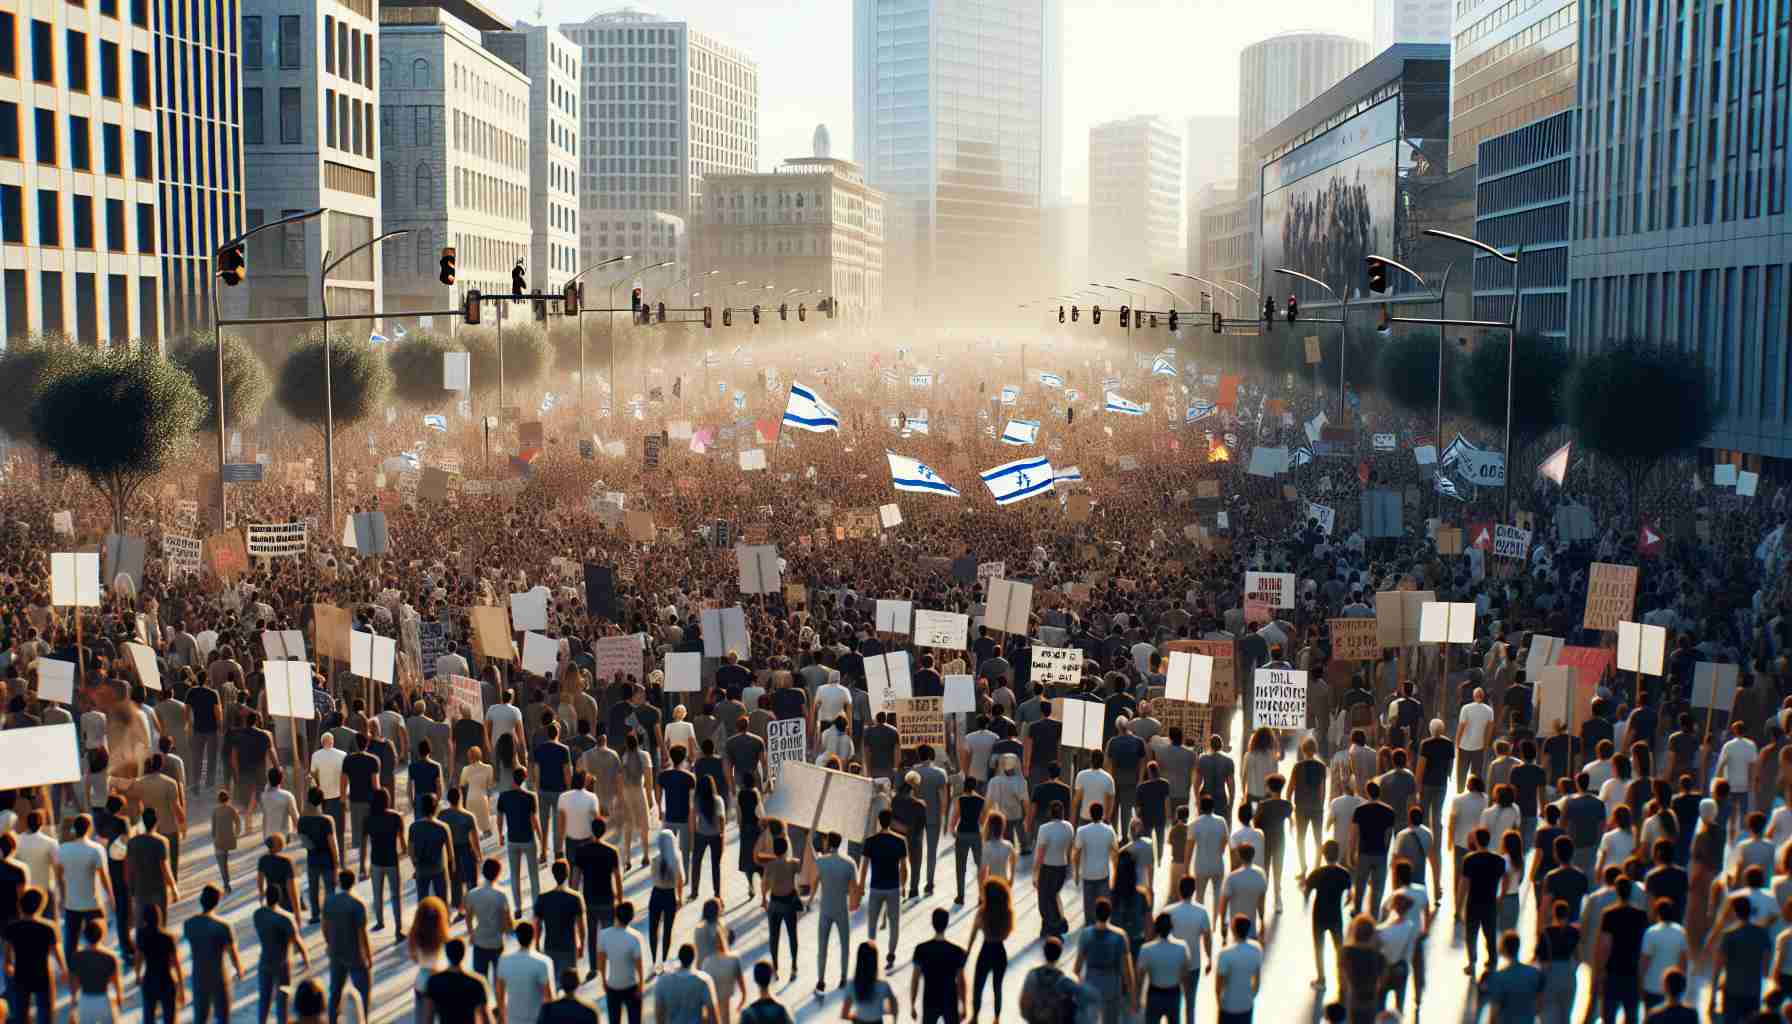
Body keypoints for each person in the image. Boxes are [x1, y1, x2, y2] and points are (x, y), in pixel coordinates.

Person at [53, 813, 111, 964]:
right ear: (89, 828)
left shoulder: (62, 849)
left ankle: (72, 968)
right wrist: (111, 897)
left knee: (71, 940)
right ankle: (96, 963)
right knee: (97, 937)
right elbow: (104, 877)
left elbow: (58, 877)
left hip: (71, 903)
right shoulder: (96, 849)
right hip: (93, 902)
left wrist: (62, 897)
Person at [183, 885, 243, 1024]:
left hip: (199, 977)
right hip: (219, 978)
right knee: (223, 1018)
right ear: (217, 901)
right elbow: (233, 953)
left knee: (200, 1018)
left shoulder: (189, 924)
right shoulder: (224, 926)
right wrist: (239, 968)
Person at [4, 887, 65, 1024]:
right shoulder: (49, 928)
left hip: (21, 973)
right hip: (43, 973)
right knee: (46, 1014)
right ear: (41, 905)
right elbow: (57, 952)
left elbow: (8, 957)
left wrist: (8, 966)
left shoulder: (12, 927)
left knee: (21, 1014)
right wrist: (63, 969)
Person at [254, 885, 311, 1024]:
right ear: (279, 898)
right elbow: (297, 941)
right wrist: (306, 959)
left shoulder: (258, 914)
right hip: (282, 963)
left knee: (264, 1000)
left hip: (264, 961)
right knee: (282, 1001)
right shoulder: (286, 918)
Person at [323, 869, 374, 1023]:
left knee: (335, 992)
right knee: (362, 991)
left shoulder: (330, 901)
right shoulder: (358, 904)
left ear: (339, 882)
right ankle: (362, 1019)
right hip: (355, 954)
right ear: (354, 882)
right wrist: (368, 955)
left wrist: (330, 943)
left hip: (336, 952)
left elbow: (324, 927)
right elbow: (362, 933)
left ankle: (332, 1020)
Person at [859, 809, 908, 969]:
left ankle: (871, 954)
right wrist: (903, 885)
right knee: (894, 923)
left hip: (876, 887)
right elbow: (903, 867)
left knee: (872, 923)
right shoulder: (900, 841)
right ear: (891, 821)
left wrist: (861, 886)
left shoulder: (870, 841)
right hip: (893, 887)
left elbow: (864, 866)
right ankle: (891, 954)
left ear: (879, 821)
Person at [1076, 897, 1136, 1024]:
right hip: (1112, 986)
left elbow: (1077, 968)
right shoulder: (1120, 935)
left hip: (1091, 985)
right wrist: (1132, 996)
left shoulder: (1085, 934)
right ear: (1110, 913)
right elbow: (1127, 970)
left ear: (1095, 913)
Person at [1303, 840, 1351, 990]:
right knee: (1339, 946)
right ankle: (1342, 979)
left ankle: (1321, 979)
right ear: (1338, 854)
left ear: (1323, 855)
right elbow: (1350, 894)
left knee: (1319, 947)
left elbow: (1307, 890)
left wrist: (1306, 901)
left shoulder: (1317, 873)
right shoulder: (1344, 874)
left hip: (1319, 914)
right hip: (1336, 915)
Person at [813, 831, 856, 992]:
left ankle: (821, 980)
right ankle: (843, 977)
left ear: (828, 842)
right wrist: (853, 903)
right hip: (841, 908)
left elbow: (814, 883)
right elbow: (854, 888)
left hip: (825, 908)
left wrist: (810, 900)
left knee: (822, 946)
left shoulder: (820, 862)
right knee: (845, 945)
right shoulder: (849, 863)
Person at [497, 768, 544, 913]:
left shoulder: (503, 796)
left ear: (513, 778)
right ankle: (536, 905)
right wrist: (541, 839)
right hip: (528, 839)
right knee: (533, 874)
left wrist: (500, 834)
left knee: (515, 875)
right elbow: (534, 820)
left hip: (512, 840)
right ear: (524, 778)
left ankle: (518, 907)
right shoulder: (530, 796)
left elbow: (499, 818)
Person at [967, 877, 1014, 1021]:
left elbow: (974, 934)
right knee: (997, 987)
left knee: (978, 986)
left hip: (986, 951)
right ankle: (996, 1018)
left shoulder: (982, 913)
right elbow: (1007, 934)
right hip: (1000, 952)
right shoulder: (1007, 913)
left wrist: (968, 950)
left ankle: (975, 1017)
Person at [909, 909, 967, 1024]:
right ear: (947, 923)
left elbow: (915, 979)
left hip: (930, 998)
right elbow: (961, 981)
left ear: (932, 923)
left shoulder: (921, 949)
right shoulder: (957, 951)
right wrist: (964, 1005)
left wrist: (913, 1004)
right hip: (950, 998)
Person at [596, 901, 647, 1024]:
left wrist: (603, 980)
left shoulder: (604, 935)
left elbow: (601, 962)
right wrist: (641, 984)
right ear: (631, 917)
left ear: (616, 915)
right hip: (631, 985)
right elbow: (639, 965)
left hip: (613, 985)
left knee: (614, 1020)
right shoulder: (635, 937)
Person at [1478, 930, 1545, 1024]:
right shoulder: (1533, 973)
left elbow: (1494, 1012)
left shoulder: (1499, 977)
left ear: (1503, 949)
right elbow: (1539, 1005)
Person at [466, 857, 515, 983]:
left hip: (479, 941)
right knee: (499, 980)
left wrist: (471, 934)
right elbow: (508, 922)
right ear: (498, 873)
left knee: (480, 981)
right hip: (497, 941)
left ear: (483, 872)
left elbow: (468, 917)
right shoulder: (501, 895)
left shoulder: (472, 894)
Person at [420, 940, 493, 1024]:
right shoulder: (476, 983)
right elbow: (485, 1017)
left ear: (447, 955)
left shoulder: (434, 982)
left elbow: (428, 1018)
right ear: (464, 955)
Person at [1135, 912, 1190, 1024]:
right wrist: (1187, 996)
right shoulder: (1181, 947)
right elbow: (1185, 975)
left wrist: (1137, 998)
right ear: (1171, 927)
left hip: (1154, 994)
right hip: (1173, 994)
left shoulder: (1146, 949)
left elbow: (1140, 977)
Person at [496, 921, 555, 1024]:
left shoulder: (504, 961)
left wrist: (502, 1016)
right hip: (536, 1018)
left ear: (517, 937)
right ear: (533, 936)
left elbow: (500, 993)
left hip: (512, 1018)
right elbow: (548, 996)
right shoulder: (543, 962)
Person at [133, 904, 183, 1024]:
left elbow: (138, 957)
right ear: (159, 918)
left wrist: (137, 974)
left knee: (149, 1017)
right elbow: (176, 963)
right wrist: (180, 985)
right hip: (166, 980)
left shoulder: (141, 935)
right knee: (169, 1018)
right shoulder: (168, 938)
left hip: (149, 979)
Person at [67, 918, 122, 1024]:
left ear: (85, 936)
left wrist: (73, 1006)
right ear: (102, 935)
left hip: (85, 1000)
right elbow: (117, 983)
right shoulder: (110, 957)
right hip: (104, 1000)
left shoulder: (76, 957)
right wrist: (119, 999)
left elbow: (73, 986)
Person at [1073, 802, 1119, 924]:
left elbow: (1076, 854)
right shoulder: (1109, 831)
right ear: (1102, 814)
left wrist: (1076, 873)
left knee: (1088, 909)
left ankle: (1090, 927)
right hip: (1103, 874)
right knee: (1103, 907)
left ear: (1090, 814)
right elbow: (1115, 853)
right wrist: (1115, 873)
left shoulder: (1081, 831)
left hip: (1087, 874)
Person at [1336, 914, 1386, 1024]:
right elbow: (1381, 982)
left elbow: (1342, 979)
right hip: (1370, 999)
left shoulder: (1346, 952)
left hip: (1353, 997)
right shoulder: (1379, 957)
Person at [646, 828, 685, 972]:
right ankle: (663, 960)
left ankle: (653, 958)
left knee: (653, 929)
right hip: (670, 895)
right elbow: (681, 879)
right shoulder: (677, 858)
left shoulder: (655, 860)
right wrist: (680, 898)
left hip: (656, 895)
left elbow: (652, 879)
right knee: (668, 930)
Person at [653, 943, 719, 1024]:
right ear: (694, 958)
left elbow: (659, 1013)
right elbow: (712, 1013)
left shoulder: (663, 981)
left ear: (679, 958)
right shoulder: (703, 980)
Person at [1212, 915, 1262, 1024]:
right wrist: (1251, 996)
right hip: (1246, 1004)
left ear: (1233, 929)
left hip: (1228, 1005)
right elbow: (1257, 980)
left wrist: (1219, 1003)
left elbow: (1218, 985)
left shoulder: (1225, 954)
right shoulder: (1256, 950)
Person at [845, 942, 898, 1023]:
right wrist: (882, 1011)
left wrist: (856, 1017)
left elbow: (844, 1014)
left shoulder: (851, 985)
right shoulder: (883, 986)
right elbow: (894, 1009)